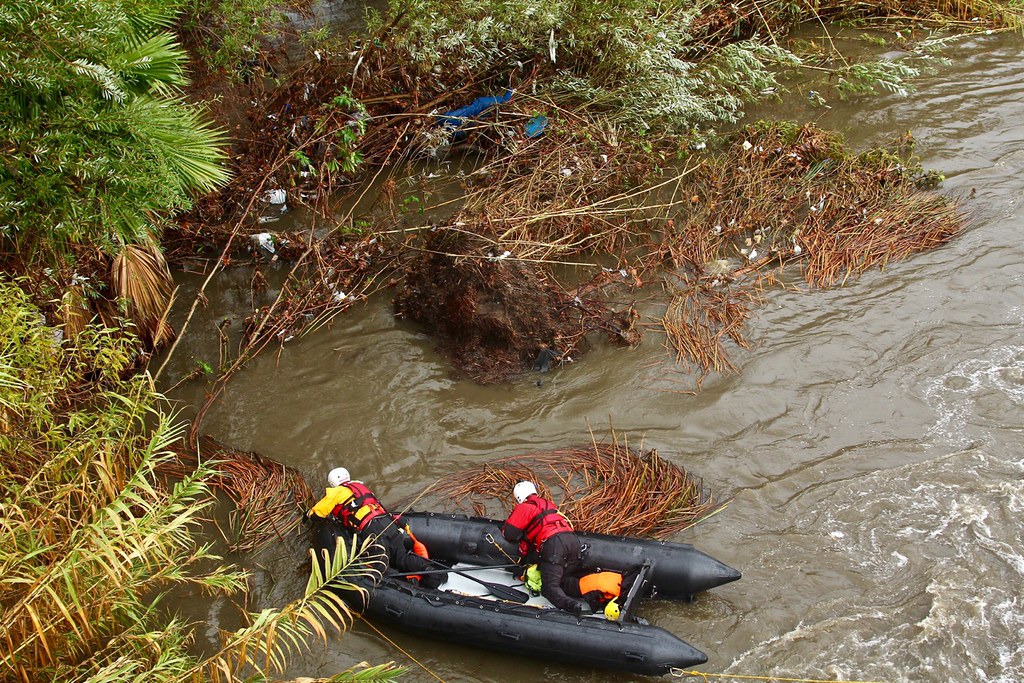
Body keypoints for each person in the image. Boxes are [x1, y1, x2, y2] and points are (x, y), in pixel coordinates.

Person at [307, 467, 446, 589]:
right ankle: (432, 573)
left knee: (380, 567)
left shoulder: (335, 493)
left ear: (332, 483)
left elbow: (317, 513)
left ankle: (409, 585)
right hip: (388, 523)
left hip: (372, 530)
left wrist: (307, 515)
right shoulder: (360, 486)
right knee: (402, 557)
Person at [500, 480, 591, 615]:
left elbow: (509, 533)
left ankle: (572, 607)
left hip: (554, 544)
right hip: (572, 541)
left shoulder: (524, 507)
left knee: (549, 588)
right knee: (563, 579)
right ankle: (592, 594)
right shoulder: (547, 503)